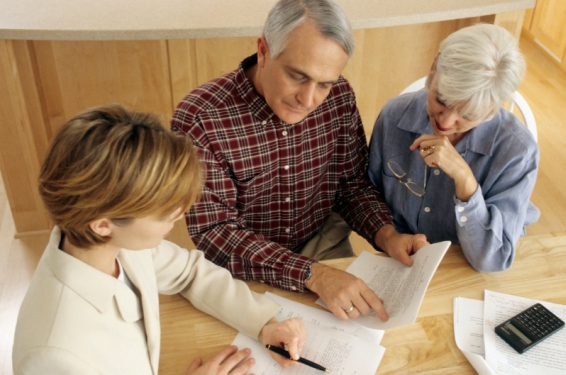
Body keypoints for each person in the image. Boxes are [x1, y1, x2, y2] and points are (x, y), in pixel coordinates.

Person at [171, 0, 428, 322]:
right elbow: (215, 232)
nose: (308, 100)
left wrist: (387, 235)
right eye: (297, 76)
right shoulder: (200, 118)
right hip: (243, 266)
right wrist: (313, 274)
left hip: (324, 241)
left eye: (324, 84)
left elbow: (350, 186)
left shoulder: (339, 97)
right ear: (263, 50)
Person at [12, 105, 307, 375]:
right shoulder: (54, 356)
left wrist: (264, 325)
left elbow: (188, 272)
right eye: (164, 213)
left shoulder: (111, 245)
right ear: (103, 224)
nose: (179, 215)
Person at [368, 24, 540, 272]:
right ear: (433, 67)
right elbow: (368, 195)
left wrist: (465, 182)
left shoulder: (518, 151)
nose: (445, 122)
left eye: (468, 114)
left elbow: (493, 261)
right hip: (402, 261)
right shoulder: (395, 115)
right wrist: (389, 237)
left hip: (468, 266)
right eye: (441, 100)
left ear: (492, 108)